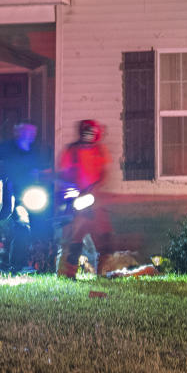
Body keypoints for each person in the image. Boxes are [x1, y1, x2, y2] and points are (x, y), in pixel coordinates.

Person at [0, 120, 50, 274]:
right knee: (21, 226)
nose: (30, 135)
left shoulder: (35, 151)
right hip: (11, 194)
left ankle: (19, 263)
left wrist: (42, 177)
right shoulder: (6, 148)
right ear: (17, 131)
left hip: (32, 195)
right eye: (26, 131)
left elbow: (45, 171)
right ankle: (16, 265)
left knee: (35, 227)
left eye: (33, 132)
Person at [56, 119, 112, 279]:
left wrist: (96, 187)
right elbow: (63, 174)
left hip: (94, 200)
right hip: (77, 200)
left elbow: (104, 172)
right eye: (86, 132)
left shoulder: (100, 150)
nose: (89, 136)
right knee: (75, 237)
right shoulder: (71, 151)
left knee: (104, 235)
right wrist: (70, 188)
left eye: (92, 133)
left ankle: (103, 272)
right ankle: (68, 273)